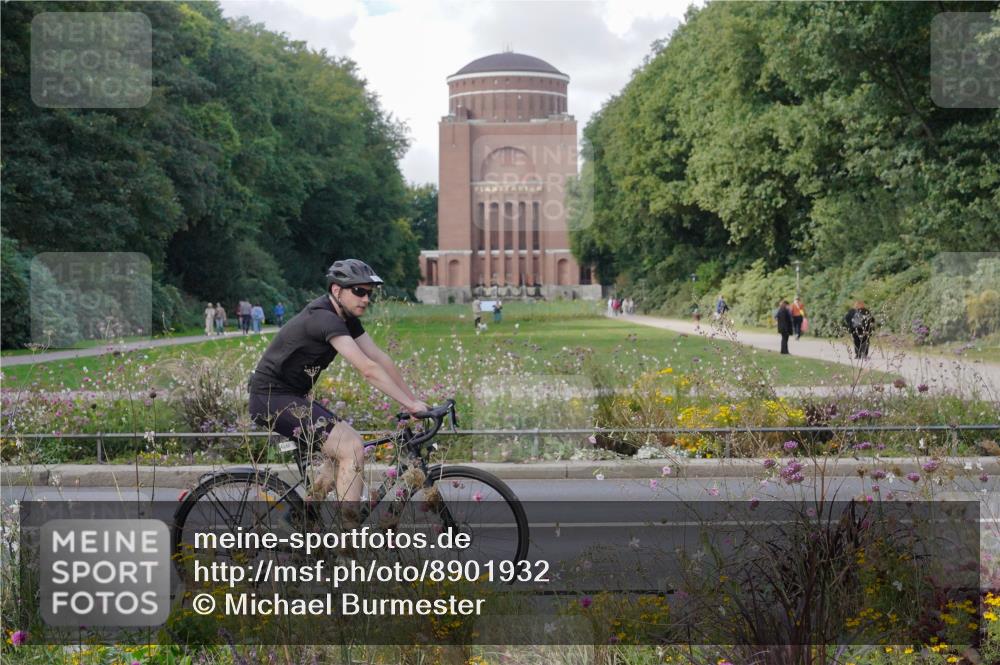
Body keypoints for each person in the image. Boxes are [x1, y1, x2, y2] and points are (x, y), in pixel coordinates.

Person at [248, 259, 428, 503]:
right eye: (359, 291)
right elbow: (367, 368)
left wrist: (412, 401)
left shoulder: (346, 318)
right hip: (270, 397)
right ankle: (349, 538)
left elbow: (378, 357)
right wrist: (408, 404)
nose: (366, 299)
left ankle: (305, 516)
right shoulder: (324, 318)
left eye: (369, 293)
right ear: (336, 290)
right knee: (351, 447)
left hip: (290, 396)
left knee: (343, 450)